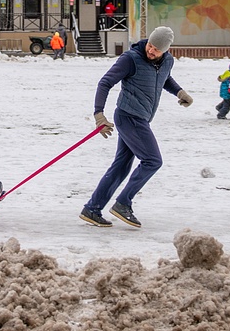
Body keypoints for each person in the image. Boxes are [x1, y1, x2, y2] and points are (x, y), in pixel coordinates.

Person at [80, 26, 192, 229]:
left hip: (141, 119)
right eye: (150, 45)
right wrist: (99, 114)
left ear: (165, 50)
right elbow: (105, 83)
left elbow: (164, 77)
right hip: (129, 117)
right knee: (153, 160)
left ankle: (92, 209)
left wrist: (180, 92)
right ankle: (123, 203)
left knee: (121, 166)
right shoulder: (130, 59)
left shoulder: (167, 61)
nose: (151, 51)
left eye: (156, 49)